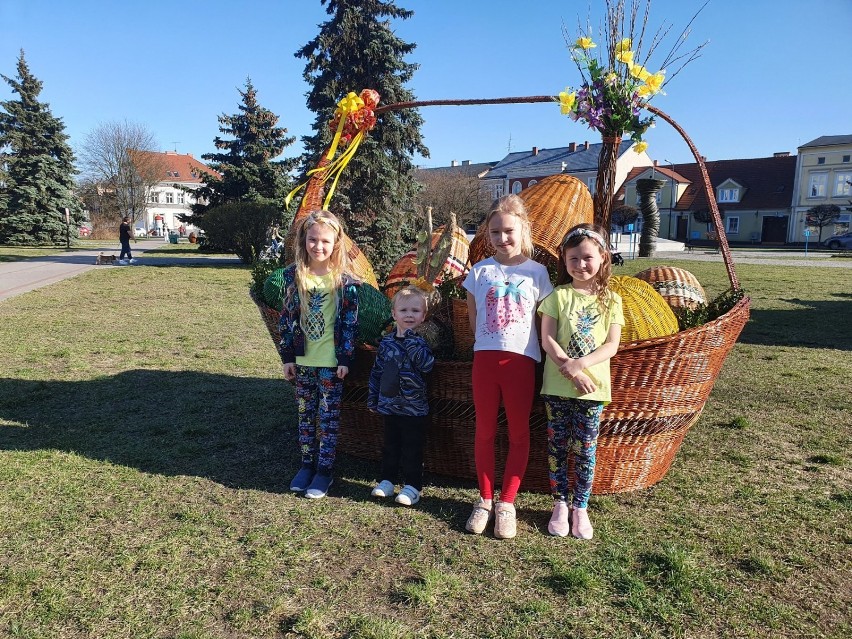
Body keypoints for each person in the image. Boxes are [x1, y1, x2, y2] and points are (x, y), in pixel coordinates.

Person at [462, 194, 553, 538]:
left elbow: (545, 321)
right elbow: (473, 320)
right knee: (484, 430)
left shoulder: (538, 273)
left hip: (521, 363)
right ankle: (485, 499)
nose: (503, 238)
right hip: (485, 361)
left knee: (518, 432)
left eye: (509, 231)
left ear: (524, 229)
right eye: (495, 232)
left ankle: (507, 503)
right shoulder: (480, 271)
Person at [538, 223, 624, 539]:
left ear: (602, 258)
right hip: (557, 387)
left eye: (587, 257)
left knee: (585, 449)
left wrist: (581, 366)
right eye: (573, 258)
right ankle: (560, 503)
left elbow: (611, 345)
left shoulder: (612, 300)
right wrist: (569, 368)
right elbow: (547, 339)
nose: (580, 265)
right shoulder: (557, 297)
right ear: (564, 260)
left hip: (593, 388)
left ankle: (580, 506)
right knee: (557, 445)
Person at [279, 210, 359, 499]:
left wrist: (345, 359)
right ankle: (306, 464)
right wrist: (288, 356)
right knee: (305, 414)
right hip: (302, 362)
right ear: (304, 241)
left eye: (325, 241)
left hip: (330, 364)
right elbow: (286, 319)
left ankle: (324, 471)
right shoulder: (293, 275)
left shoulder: (345, 282)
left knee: (328, 417)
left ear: (336, 243)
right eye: (313, 240)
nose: (318, 246)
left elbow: (350, 323)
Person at [368, 285, 435, 507]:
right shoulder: (386, 343)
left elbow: (427, 365)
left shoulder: (421, 342)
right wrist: (373, 398)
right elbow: (377, 372)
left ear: (423, 316)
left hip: (413, 408)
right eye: (404, 310)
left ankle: (413, 486)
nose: (409, 315)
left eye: (415, 311)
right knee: (390, 445)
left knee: (412, 447)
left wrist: (411, 341)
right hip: (389, 405)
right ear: (394, 314)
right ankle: (387, 480)